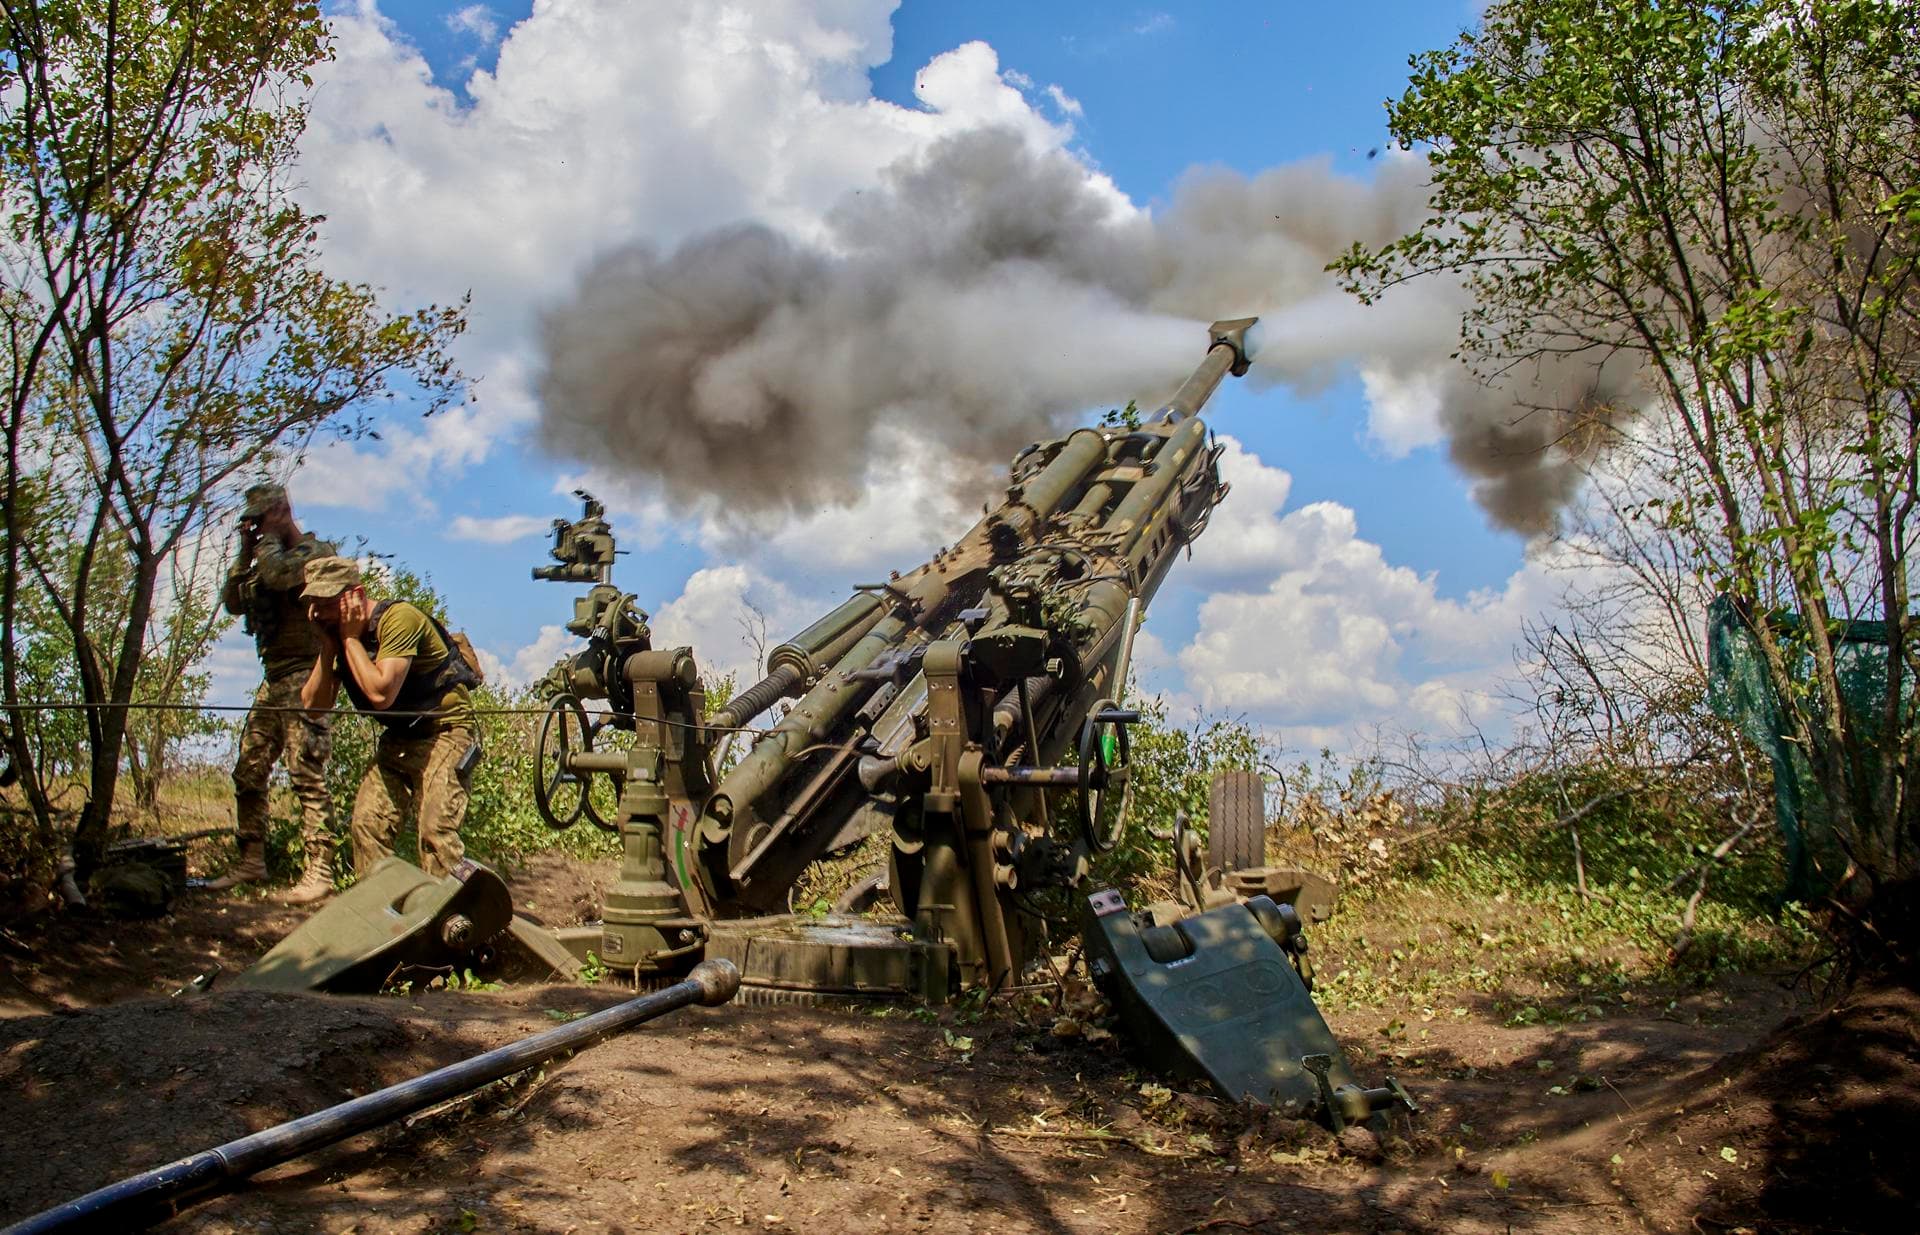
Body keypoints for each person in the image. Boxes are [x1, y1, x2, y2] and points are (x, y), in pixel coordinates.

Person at [299, 556, 480, 879]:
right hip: (399, 740)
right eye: (314, 604)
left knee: (435, 833)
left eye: (327, 602)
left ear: (355, 594)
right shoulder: (338, 636)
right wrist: (329, 647)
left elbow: (382, 695)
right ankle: (381, 914)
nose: (319, 613)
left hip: (446, 733)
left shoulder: (398, 619)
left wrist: (351, 639)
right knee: (367, 825)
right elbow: (313, 706)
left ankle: (451, 919)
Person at [212, 483, 337, 900]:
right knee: (249, 767)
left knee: (305, 771)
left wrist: (265, 543)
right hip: (274, 678)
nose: (259, 527)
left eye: (263, 517)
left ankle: (320, 871)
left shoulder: (314, 554)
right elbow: (232, 601)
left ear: (283, 511)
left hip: (307, 673)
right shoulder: (262, 558)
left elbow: (281, 576)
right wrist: (244, 552)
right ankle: (251, 861)